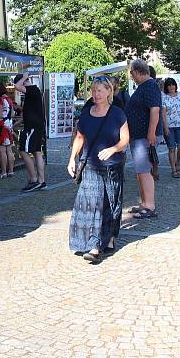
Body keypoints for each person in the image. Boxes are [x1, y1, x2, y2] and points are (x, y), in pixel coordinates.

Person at [67, 77, 129, 262]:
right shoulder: (86, 114)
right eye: (93, 91)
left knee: (111, 204)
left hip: (112, 167)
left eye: (100, 91)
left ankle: (109, 238)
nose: (96, 94)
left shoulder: (118, 113)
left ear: (108, 92)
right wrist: (72, 159)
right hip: (91, 166)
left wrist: (113, 149)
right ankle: (93, 246)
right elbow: (79, 138)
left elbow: (125, 139)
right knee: (92, 204)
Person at [124, 59, 161, 219]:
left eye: (132, 73)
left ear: (138, 72)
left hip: (143, 136)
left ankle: (150, 206)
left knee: (144, 171)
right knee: (141, 171)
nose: (131, 76)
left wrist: (151, 133)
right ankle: (145, 202)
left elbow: (155, 110)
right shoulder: (144, 86)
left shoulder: (150, 86)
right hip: (138, 136)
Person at [14, 74, 46, 191]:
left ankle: (33, 180)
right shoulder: (33, 92)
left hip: (32, 127)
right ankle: (41, 181)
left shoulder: (31, 89)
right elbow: (28, 112)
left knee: (23, 150)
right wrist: (15, 124)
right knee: (37, 152)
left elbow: (17, 86)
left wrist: (24, 77)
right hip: (35, 125)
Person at [161, 77, 180, 178]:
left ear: (175, 85)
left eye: (173, 85)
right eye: (169, 85)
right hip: (169, 126)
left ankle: (178, 161)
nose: (171, 87)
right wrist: (165, 127)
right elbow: (163, 113)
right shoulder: (164, 98)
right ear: (166, 87)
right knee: (171, 148)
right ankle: (173, 169)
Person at [0, 82, 16, 178]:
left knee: (2, 151)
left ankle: (3, 172)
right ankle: (11, 171)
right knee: (9, 150)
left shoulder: (0, 101)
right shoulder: (9, 100)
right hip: (8, 126)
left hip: (1, 127)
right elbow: (13, 114)